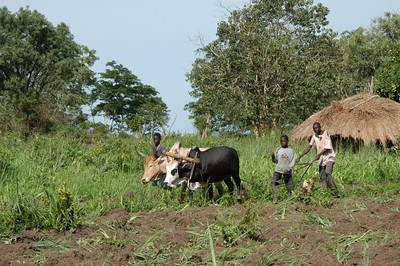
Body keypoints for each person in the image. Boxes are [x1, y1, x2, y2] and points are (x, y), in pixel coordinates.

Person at [296, 122, 339, 197]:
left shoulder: (326, 133)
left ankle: (335, 191)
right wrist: (299, 157)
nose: (316, 129)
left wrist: (319, 154)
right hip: (321, 159)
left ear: (320, 127)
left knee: (328, 173)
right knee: (322, 177)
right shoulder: (314, 136)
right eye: (314, 128)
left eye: (317, 127)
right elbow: (309, 147)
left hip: (329, 156)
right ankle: (324, 193)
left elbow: (327, 147)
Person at [271, 135, 295, 204]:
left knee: (289, 186)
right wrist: (273, 157)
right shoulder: (278, 150)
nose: (282, 143)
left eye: (284, 141)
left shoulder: (290, 151)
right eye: (281, 141)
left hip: (287, 171)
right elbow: (275, 161)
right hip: (278, 169)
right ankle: (275, 198)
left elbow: (293, 162)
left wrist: (288, 169)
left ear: (287, 141)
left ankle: (290, 200)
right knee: (273, 182)